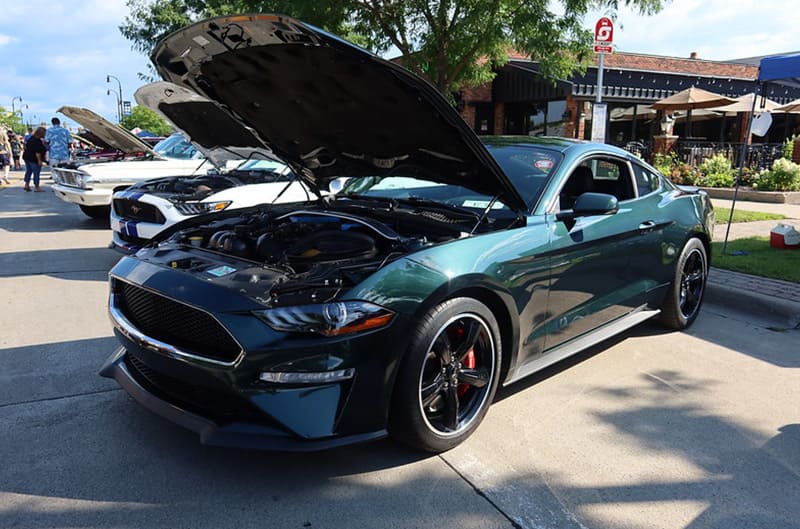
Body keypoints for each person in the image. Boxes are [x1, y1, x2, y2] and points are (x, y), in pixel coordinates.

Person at [22, 126, 47, 192]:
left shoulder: (31, 138)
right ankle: (36, 187)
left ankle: (26, 184)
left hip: (27, 157)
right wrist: (39, 161)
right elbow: (37, 152)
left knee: (29, 171)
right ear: (41, 134)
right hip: (33, 159)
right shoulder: (37, 141)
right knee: (36, 172)